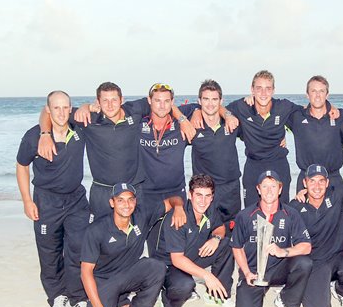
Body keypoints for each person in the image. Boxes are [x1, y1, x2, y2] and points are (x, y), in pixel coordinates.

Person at [37, 82, 194, 219]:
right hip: (102, 191)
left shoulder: (135, 110)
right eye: (105, 100)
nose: (110, 105)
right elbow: (48, 110)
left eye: (114, 100)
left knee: (135, 237)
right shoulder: (88, 118)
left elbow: (163, 103)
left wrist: (182, 119)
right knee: (98, 240)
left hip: (133, 190)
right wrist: (44, 134)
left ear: (122, 100)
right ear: (98, 102)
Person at [16, 90, 90, 307]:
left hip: (76, 200)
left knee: (78, 248)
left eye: (65, 107)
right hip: (46, 201)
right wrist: (27, 200)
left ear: (71, 109)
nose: (61, 112)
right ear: (48, 110)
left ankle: (77, 295)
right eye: (55, 108)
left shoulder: (79, 128)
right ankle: (57, 295)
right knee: (49, 251)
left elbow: (96, 108)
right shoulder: (34, 136)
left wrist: (88, 105)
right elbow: (21, 166)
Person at [223, 70, 339, 206]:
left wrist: (331, 107)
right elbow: (220, 108)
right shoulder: (242, 106)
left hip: (279, 164)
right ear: (252, 90)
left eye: (268, 89)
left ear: (273, 91)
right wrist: (227, 115)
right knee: (251, 212)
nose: (263, 93)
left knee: (282, 211)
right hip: (253, 165)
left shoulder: (283, 106)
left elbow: (308, 109)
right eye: (259, 88)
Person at [80, 183, 183, 307]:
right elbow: (85, 272)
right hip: (105, 281)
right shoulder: (96, 230)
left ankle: (140, 306)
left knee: (157, 266)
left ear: (135, 201)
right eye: (120, 200)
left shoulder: (142, 216)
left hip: (128, 274)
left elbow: (173, 199)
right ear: (112, 203)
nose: (126, 205)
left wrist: (179, 208)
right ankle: (111, 299)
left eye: (130, 200)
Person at [231, 170, 312, 307]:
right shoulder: (245, 215)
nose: (269, 191)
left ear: (280, 189)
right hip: (254, 272)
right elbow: (237, 246)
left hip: (279, 269)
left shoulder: (291, 214)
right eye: (265, 186)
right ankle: (257, 292)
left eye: (273, 186)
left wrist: (283, 251)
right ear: (258, 189)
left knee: (304, 263)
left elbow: (306, 246)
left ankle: (286, 299)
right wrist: (247, 272)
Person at [153, 174, 234, 307]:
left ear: (212, 197)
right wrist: (207, 276)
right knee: (184, 286)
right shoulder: (178, 217)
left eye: (207, 196)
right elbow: (177, 259)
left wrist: (215, 238)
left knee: (226, 244)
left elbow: (220, 228)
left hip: (192, 255)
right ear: (190, 195)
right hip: (170, 264)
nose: (203, 201)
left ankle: (216, 295)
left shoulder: (209, 209)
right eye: (199, 195)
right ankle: (166, 297)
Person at [289, 164, 343, 307]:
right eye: (312, 181)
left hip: (339, 256)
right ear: (305, 183)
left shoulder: (337, 195)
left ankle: (340, 289)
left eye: (321, 181)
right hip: (316, 262)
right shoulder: (295, 206)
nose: (317, 186)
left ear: (327, 183)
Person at [190, 80, 242, 233]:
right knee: (205, 234)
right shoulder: (192, 126)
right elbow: (170, 109)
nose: (210, 104)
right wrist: (194, 112)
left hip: (230, 189)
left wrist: (281, 137)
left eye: (214, 99)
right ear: (199, 101)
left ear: (221, 101)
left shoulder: (232, 123)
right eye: (206, 99)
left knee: (232, 234)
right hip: (205, 191)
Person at [138, 83, 199, 211]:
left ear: (172, 102)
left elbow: (199, 106)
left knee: (177, 230)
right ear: (149, 101)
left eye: (166, 101)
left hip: (176, 192)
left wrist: (193, 115)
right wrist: (87, 107)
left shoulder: (178, 123)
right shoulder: (139, 124)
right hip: (146, 193)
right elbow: (116, 112)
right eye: (157, 101)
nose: (162, 105)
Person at [287, 76, 343, 192]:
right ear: (307, 94)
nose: (317, 95)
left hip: (333, 180)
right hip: (306, 181)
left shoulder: (340, 116)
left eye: (321, 91)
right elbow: (273, 110)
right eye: (313, 91)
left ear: (327, 95)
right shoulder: (296, 116)